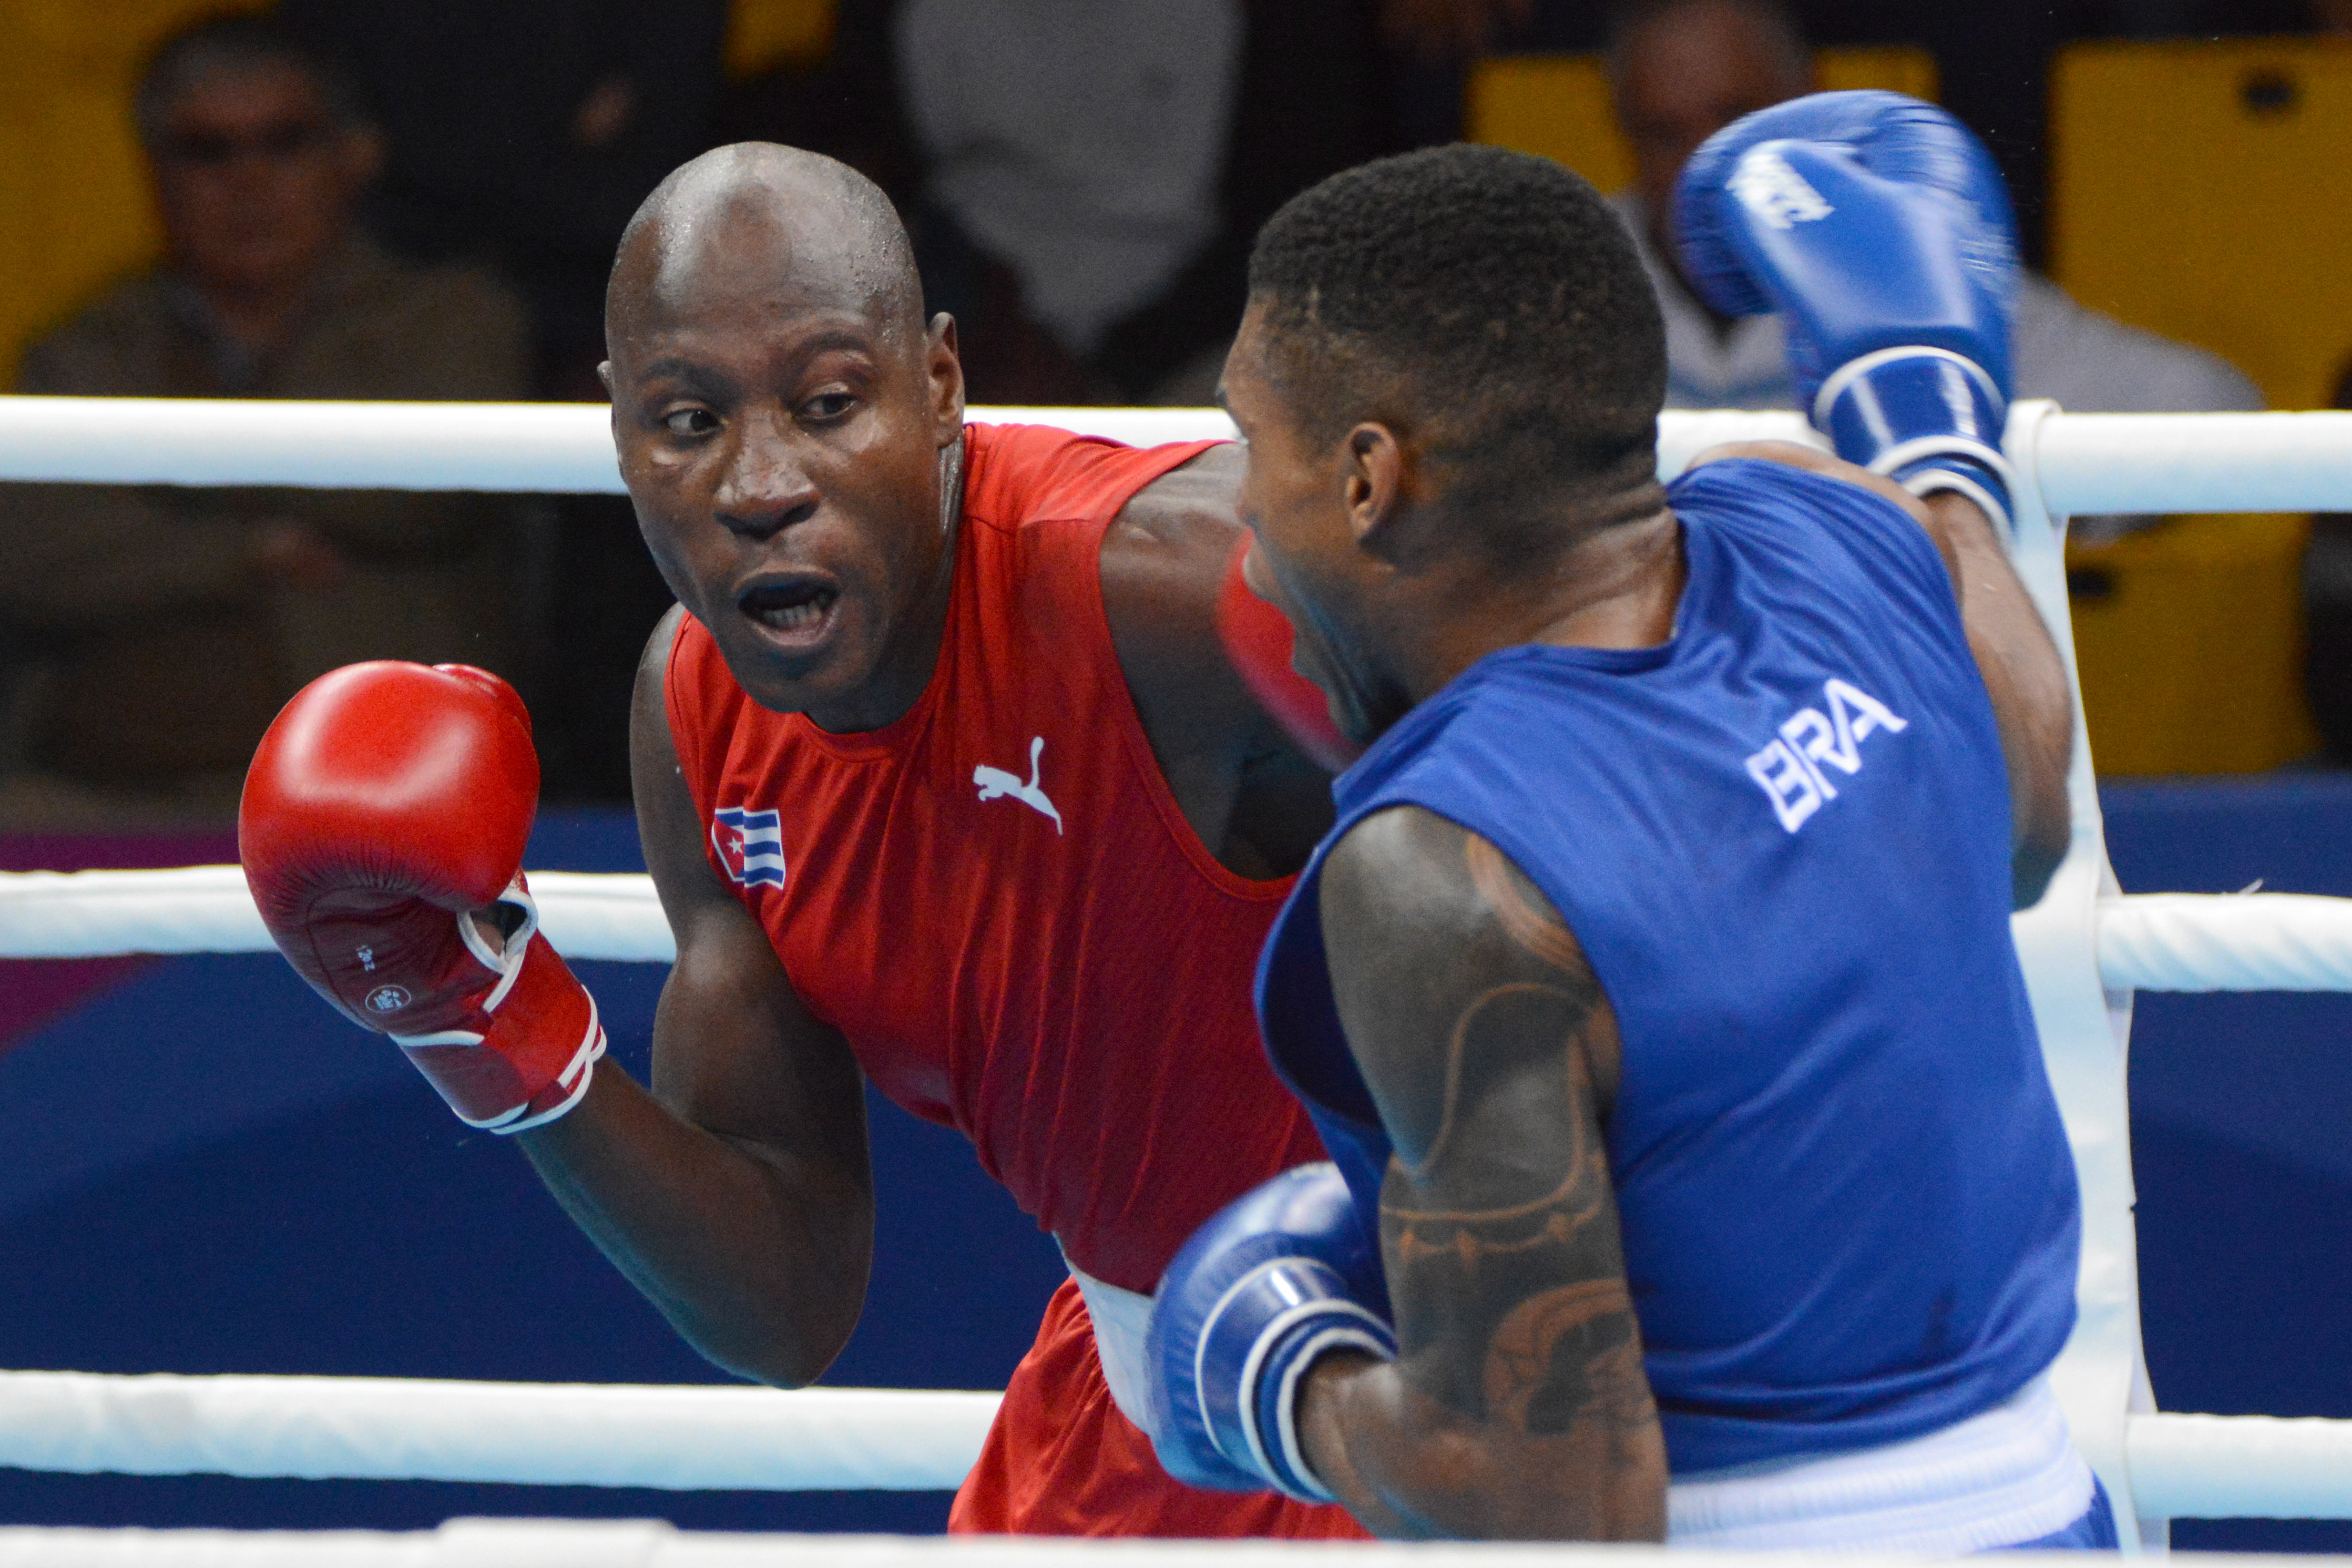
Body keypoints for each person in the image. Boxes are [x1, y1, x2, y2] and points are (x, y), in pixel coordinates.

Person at [235, 143, 1370, 1539]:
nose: (760, 481)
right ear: (618, 431)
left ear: (940, 385)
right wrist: (492, 1031)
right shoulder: (698, 711)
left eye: (829, 404)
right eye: (688, 420)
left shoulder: (1174, 595)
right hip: (1152, 1396)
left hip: (1457, 1375)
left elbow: (1613, 722)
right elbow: (786, 1301)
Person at [1140, 107, 2112, 1547]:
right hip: (2049, 1516)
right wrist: (1935, 435)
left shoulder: (1448, 864)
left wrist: (1291, 1385)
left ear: (1366, 478)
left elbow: (1554, 1507)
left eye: (1252, 448)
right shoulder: (1826, 520)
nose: (1245, 519)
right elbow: (2025, 820)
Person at [0, 15, 530, 826]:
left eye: (285, 142)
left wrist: (158, 480)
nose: (248, 181)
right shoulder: (83, 350)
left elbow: (419, 497)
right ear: (153, 171)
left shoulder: (454, 318)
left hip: (386, 801)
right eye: (207, 151)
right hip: (91, 800)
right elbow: (35, 553)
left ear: (358, 154)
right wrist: (247, 550)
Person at [1604, 0, 2261, 428]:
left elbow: (2210, 405)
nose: (1704, 162)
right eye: (1664, 133)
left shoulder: (1907, 261)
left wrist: (2015, 483)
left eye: (1736, 118)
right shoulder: (1563, 278)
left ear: (1810, 101)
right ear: (1621, 131)